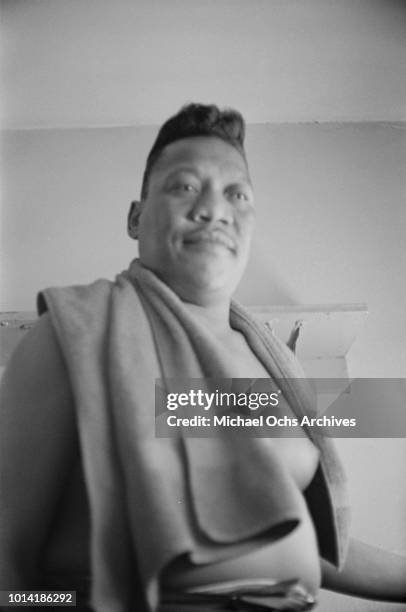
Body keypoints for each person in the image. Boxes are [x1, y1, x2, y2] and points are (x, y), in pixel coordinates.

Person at [0, 103, 405, 612]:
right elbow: (8, 570)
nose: (215, 208)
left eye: (237, 194)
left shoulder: (278, 367)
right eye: (184, 186)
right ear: (135, 217)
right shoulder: (74, 331)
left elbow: (286, 539)